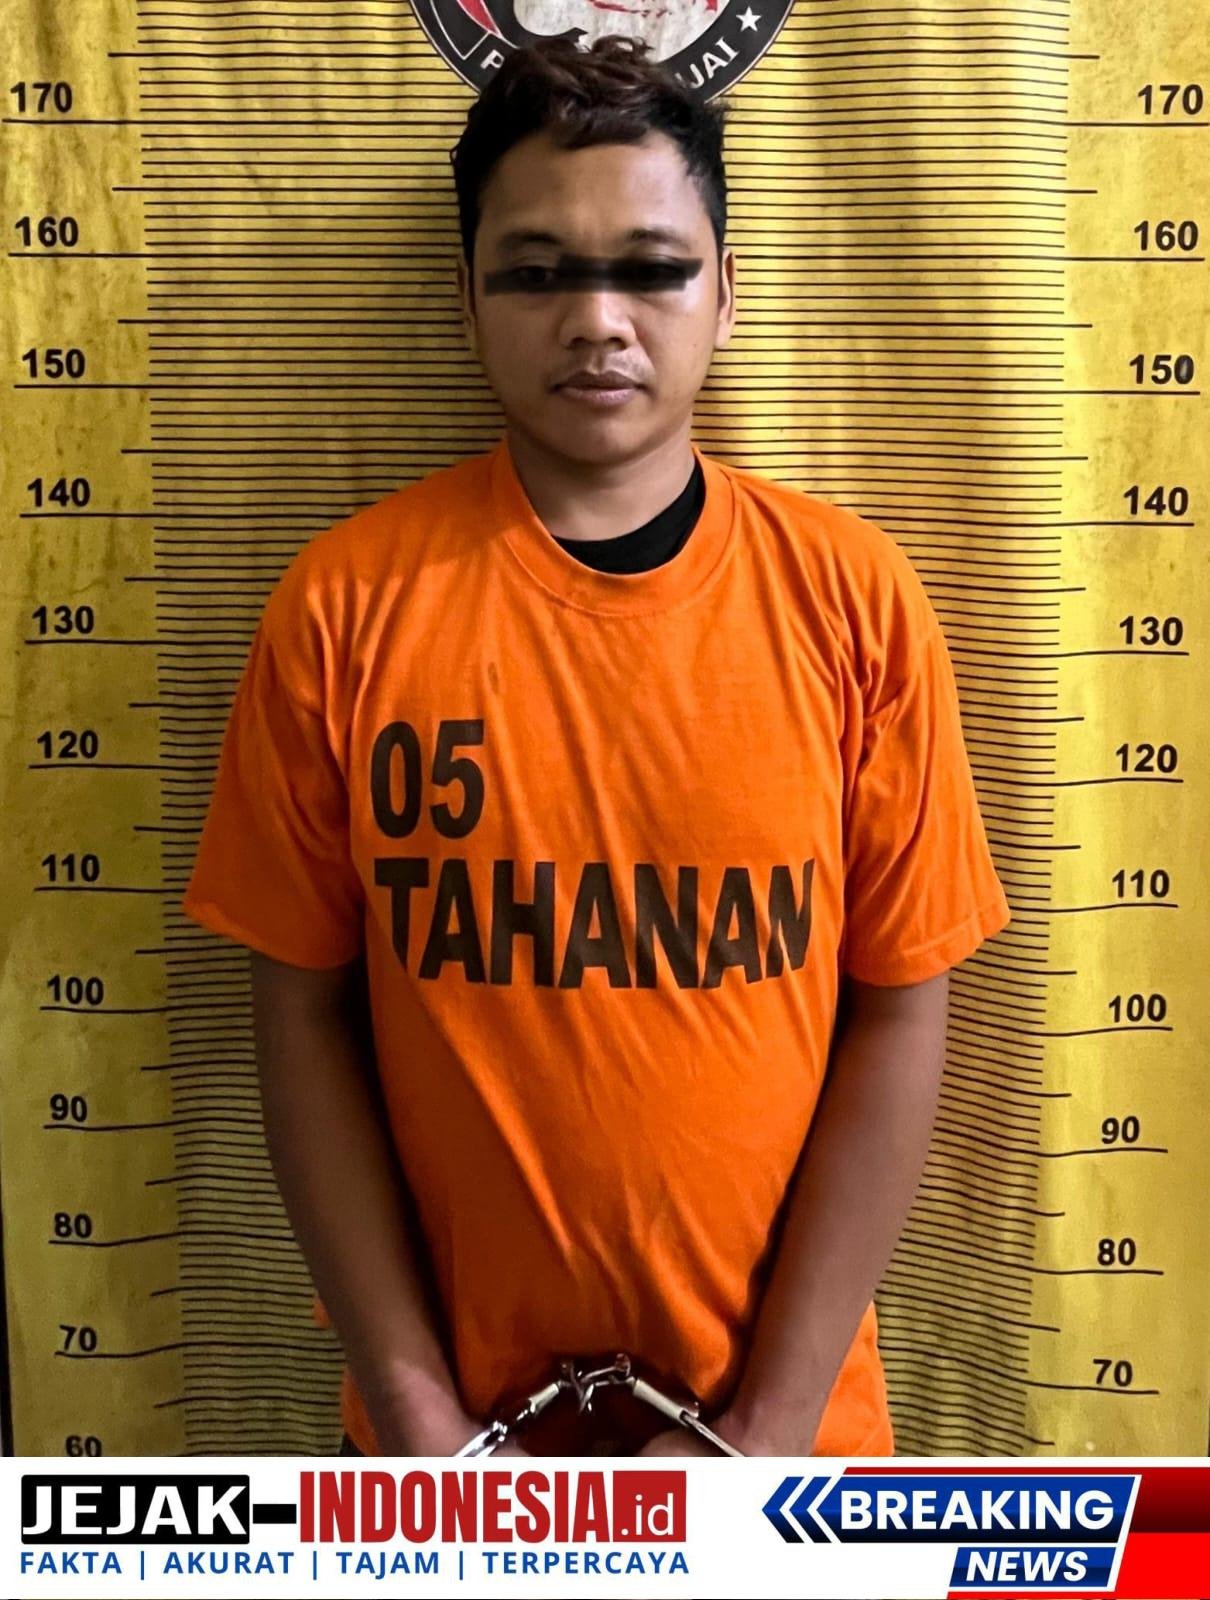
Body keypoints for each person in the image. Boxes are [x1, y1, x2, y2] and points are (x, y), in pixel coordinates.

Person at [182, 34, 1011, 1460]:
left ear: (726, 294)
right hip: (449, 1452)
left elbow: (899, 1009)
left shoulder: (854, 603)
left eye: (651, 268)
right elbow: (302, 1018)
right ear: (464, 300)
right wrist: (418, 1416)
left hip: (786, 1447)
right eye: (536, 272)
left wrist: (771, 1428)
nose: (597, 320)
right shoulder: (343, 607)